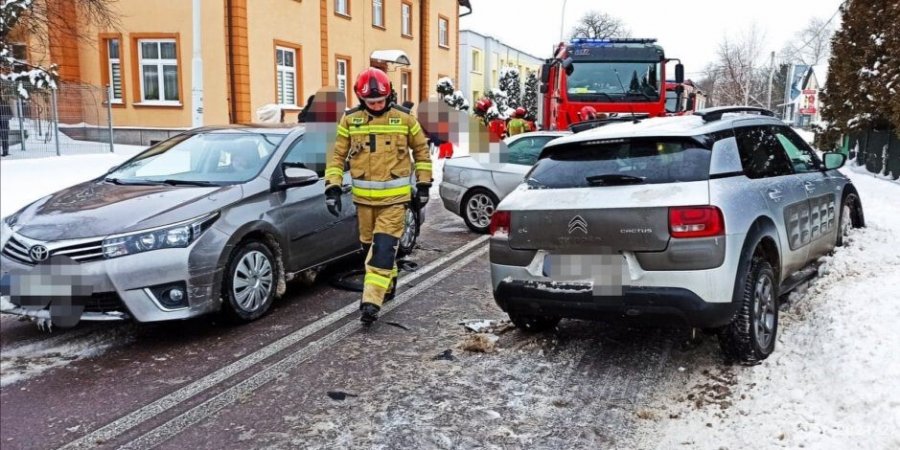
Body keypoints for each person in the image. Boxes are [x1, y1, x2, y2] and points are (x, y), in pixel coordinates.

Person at [324, 67, 432, 324]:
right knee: (370, 249)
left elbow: (421, 151)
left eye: (380, 101)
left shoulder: (404, 119)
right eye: (370, 102)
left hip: (394, 203)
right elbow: (337, 156)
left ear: (390, 96)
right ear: (361, 100)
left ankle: (371, 302)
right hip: (364, 203)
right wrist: (332, 187)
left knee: (382, 251)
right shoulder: (350, 120)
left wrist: (424, 184)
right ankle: (389, 281)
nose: (376, 105)